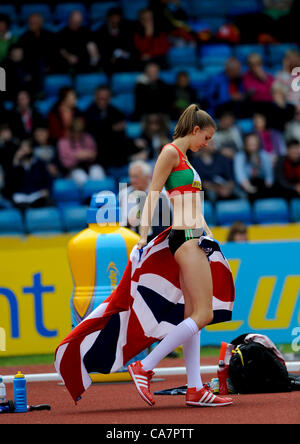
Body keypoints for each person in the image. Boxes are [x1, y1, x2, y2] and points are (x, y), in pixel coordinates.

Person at [127, 104, 233, 408]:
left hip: (195, 238)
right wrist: (143, 238)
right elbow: (152, 194)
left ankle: (195, 388)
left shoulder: (185, 158)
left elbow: (193, 209)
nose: (208, 144)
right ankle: (144, 367)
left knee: (192, 316)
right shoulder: (171, 152)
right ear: (196, 130)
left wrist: (210, 237)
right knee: (205, 314)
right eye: (207, 137)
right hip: (185, 239)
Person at [119, 160, 172, 242]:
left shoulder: (162, 193)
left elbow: (170, 220)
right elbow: (121, 223)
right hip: (133, 238)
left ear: (147, 177)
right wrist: (129, 221)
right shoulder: (124, 194)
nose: (132, 180)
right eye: (131, 177)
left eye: (136, 177)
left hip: (158, 238)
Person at [5, 139, 53, 211]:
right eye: (21, 148)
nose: (23, 151)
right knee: (23, 209)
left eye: (26, 148)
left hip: (37, 195)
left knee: (51, 204)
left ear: (31, 150)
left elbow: (48, 180)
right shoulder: (15, 165)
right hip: (20, 197)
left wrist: (47, 190)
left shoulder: (39, 164)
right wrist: (15, 164)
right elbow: (9, 183)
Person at [58, 116, 105, 186]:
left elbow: (94, 155)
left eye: (80, 132)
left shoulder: (88, 138)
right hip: (73, 170)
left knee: (98, 171)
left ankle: (99, 195)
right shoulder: (63, 143)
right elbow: (65, 164)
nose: (77, 134)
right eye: (75, 132)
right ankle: (87, 196)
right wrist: (76, 156)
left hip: (89, 166)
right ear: (70, 131)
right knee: (81, 177)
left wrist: (88, 155)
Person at [18, 13, 56, 96]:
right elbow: (21, 57)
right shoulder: (23, 37)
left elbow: (54, 54)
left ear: (41, 23)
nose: (31, 25)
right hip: (29, 67)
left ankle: (38, 92)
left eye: (34, 22)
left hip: (48, 66)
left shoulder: (50, 36)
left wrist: (49, 65)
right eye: (30, 22)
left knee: (40, 62)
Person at [92, 7, 137, 75]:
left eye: (117, 18)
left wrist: (121, 54)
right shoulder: (102, 32)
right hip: (108, 62)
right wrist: (112, 56)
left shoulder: (126, 31)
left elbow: (130, 49)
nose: (115, 20)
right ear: (108, 18)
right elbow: (102, 50)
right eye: (113, 18)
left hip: (124, 61)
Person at [191, 139, 238, 203]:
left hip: (225, 187)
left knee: (241, 194)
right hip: (207, 191)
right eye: (211, 144)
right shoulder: (195, 162)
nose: (214, 146)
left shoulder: (222, 158)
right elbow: (200, 183)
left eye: (213, 143)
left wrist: (227, 188)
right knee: (208, 195)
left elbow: (231, 178)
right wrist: (217, 189)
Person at [233, 132, 274, 201]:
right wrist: (248, 187)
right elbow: (240, 175)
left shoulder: (264, 155)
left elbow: (269, 175)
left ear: (258, 144)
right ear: (245, 145)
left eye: (254, 144)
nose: (253, 147)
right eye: (250, 144)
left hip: (262, 184)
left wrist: (268, 186)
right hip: (246, 185)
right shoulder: (240, 156)